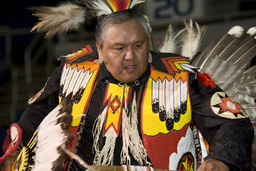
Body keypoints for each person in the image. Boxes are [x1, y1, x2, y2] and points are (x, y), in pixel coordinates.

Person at [0, 0, 254, 170]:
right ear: (100, 50)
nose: (130, 56)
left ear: (148, 41)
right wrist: (14, 153)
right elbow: (32, 119)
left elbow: (233, 123)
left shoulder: (182, 77)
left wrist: (220, 159)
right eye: (119, 48)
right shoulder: (72, 71)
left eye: (138, 45)